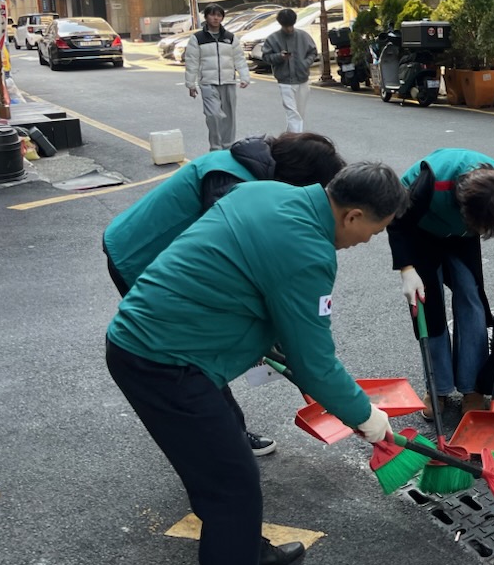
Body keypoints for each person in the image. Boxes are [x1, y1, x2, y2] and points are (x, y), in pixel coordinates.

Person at [106, 162, 407, 565]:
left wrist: (286, 350)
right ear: (353, 215)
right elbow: (316, 363)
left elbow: (237, 277)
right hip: (165, 363)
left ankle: (245, 554)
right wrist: (368, 417)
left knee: (224, 453)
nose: (366, 242)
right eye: (375, 232)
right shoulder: (308, 252)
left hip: (151, 340)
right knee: (233, 493)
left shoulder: (264, 192)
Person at [103, 132, 345, 456]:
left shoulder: (256, 171)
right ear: (298, 180)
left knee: (201, 359)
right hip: (138, 257)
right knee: (195, 359)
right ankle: (223, 440)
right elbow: (228, 273)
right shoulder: (231, 185)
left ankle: (226, 436)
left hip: (155, 254)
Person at [390, 148, 494, 419]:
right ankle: (437, 388)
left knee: (473, 301)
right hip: (421, 231)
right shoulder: (432, 182)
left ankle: (473, 386)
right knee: (428, 307)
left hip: (463, 237)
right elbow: (399, 222)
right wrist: (407, 269)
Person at [185, 3, 250, 151]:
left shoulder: (230, 37)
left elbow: (239, 58)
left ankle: (227, 147)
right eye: (212, 15)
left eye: (219, 15)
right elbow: (192, 61)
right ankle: (215, 147)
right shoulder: (197, 38)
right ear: (206, 17)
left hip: (228, 81)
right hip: (208, 83)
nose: (216, 18)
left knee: (229, 117)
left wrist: (244, 76)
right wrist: (191, 84)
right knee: (213, 115)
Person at [261, 9, 319, 133]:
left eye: (290, 26)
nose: (289, 29)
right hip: (285, 81)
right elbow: (266, 57)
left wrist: (305, 63)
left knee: (299, 113)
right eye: (285, 26)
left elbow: (313, 52)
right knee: (292, 113)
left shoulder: (303, 36)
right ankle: (296, 140)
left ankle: (290, 138)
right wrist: (279, 57)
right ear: (280, 24)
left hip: (302, 79)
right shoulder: (273, 38)